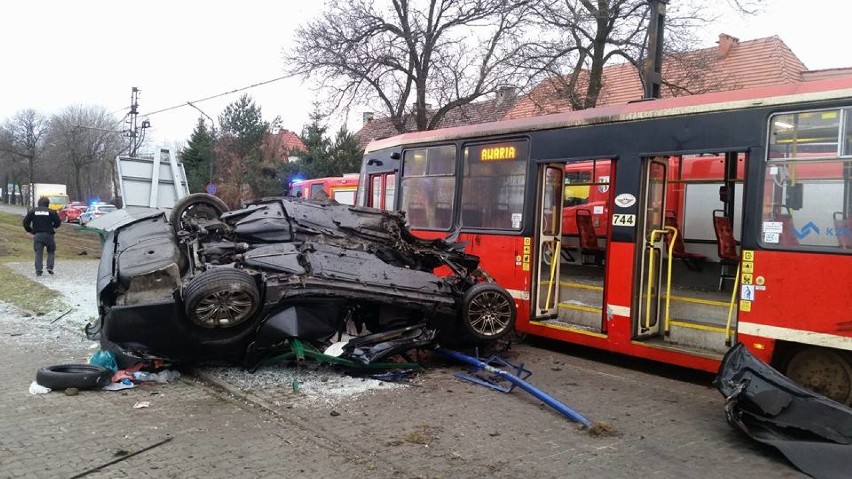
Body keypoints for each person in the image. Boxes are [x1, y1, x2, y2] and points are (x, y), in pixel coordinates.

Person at [22, 196, 61, 276]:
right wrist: (53, 226)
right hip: (49, 235)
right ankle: (49, 267)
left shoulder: (32, 211)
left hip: (38, 235)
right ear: (48, 204)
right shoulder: (52, 212)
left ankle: (38, 270)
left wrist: (30, 230)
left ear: (38, 203)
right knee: (51, 251)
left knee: (38, 253)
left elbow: (25, 223)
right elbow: (58, 223)